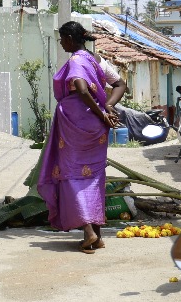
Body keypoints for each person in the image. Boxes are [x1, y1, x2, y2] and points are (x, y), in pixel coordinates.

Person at [37, 21, 127, 254]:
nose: (61, 43)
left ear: (69, 38)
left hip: (75, 125)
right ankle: (98, 236)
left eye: (62, 39)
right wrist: (107, 106)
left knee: (71, 175)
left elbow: (82, 88)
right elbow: (120, 83)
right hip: (96, 129)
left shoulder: (76, 61)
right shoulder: (97, 60)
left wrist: (102, 112)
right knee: (94, 177)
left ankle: (88, 232)